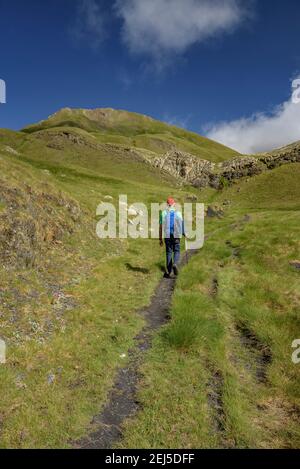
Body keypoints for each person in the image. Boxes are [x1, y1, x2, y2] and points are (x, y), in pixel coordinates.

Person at [159, 197, 185, 278]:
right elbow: (182, 224)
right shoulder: (178, 212)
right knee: (177, 250)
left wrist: (160, 239)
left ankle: (169, 272)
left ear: (167, 204)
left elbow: (160, 227)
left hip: (167, 236)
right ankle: (175, 264)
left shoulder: (163, 213)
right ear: (174, 204)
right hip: (177, 235)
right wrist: (184, 233)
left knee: (169, 252)